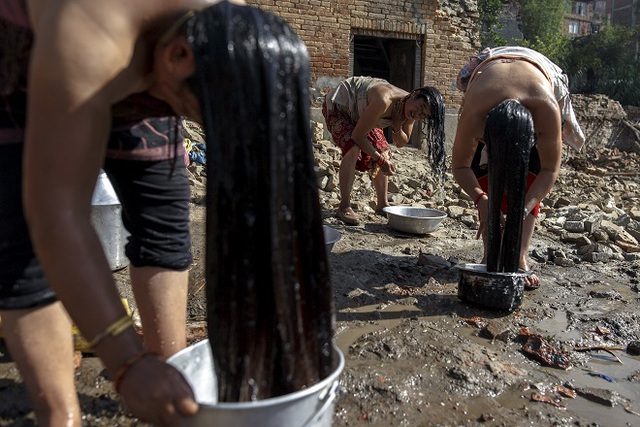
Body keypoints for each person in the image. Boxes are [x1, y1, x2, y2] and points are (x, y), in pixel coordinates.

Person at [0, 0, 295, 425]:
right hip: (30, 54)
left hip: (145, 50)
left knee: (163, 214)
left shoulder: (219, 32)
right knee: (23, 244)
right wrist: (126, 362)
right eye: (202, 114)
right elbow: (55, 216)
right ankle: (57, 413)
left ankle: (172, 376)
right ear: (177, 58)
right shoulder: (89, 36)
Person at [451, 46, 586, 290]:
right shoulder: (474, 112)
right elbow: (461, 165)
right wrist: (482, 200)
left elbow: (548, 171)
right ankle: (488, 254)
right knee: (481, 173)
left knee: (529, 178)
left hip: (536, 71)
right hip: (490, 71)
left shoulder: (546, 109)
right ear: (485, 135)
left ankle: (521, 257)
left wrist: (521, 210)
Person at [322, 76, 446, 225]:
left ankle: (382, 204)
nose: (419, 113)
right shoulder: (384, 100)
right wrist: (379, 160)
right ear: (414, 94)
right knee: (353, 148)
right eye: (421, 107)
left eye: (424, 115)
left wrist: (397, 126)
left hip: (363, 115)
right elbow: (357, 136)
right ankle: (344, 206)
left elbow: (401, 142)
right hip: (341, 105)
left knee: (384, 151)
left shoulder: (410, 110)